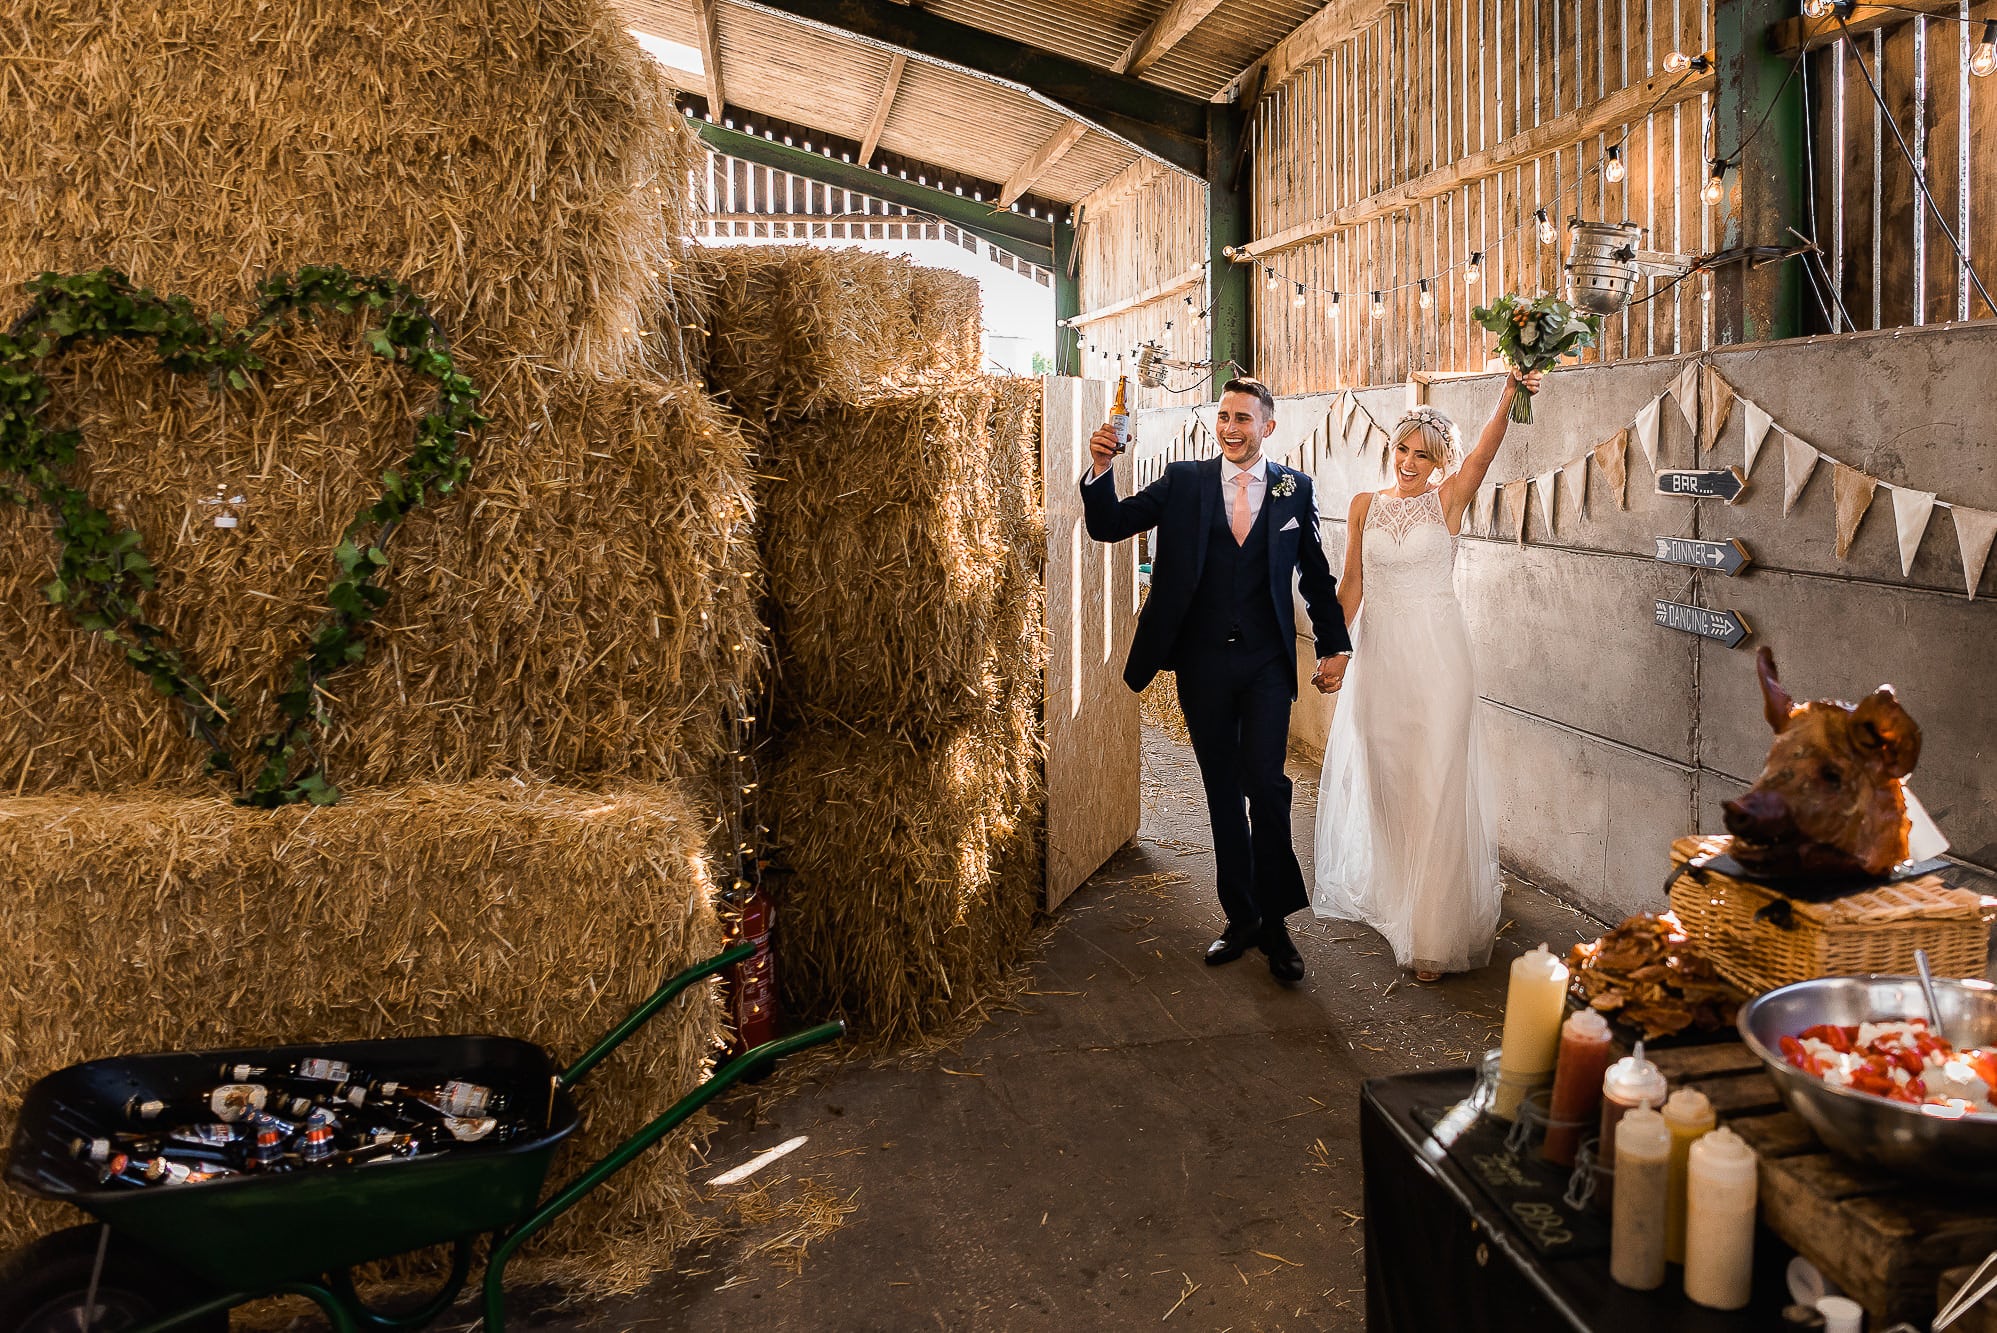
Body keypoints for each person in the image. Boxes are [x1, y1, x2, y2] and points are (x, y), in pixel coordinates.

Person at [1082, 378, 1351, 985]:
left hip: (1265, 664)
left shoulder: (1293, 489)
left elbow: (1315, 574)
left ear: (1268, 427)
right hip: (1201, 663)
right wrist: (1101, 469)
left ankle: (1277, 924)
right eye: (1224, 417)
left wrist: (1334, 644)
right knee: (1222, 791)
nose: (1231, 428)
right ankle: (1242, 919)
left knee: (1266, 783)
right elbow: (1110, 526)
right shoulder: (1185, 482)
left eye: (1243, 419)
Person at [1309, 370, 1541, 982]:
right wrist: (1334, 651)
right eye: (1403, 449)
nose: (1409, 462)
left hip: (1440, 663)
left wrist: (1508, 395)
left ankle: (1430, 931)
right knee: (1390, 780)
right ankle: (1397, 901)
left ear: (1441, 463)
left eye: (1424, 454)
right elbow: (1351, 585)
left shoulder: (1448, 502)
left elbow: (1489, 449)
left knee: (1437, 781)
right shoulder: (1364, 506)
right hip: (1380, 660)